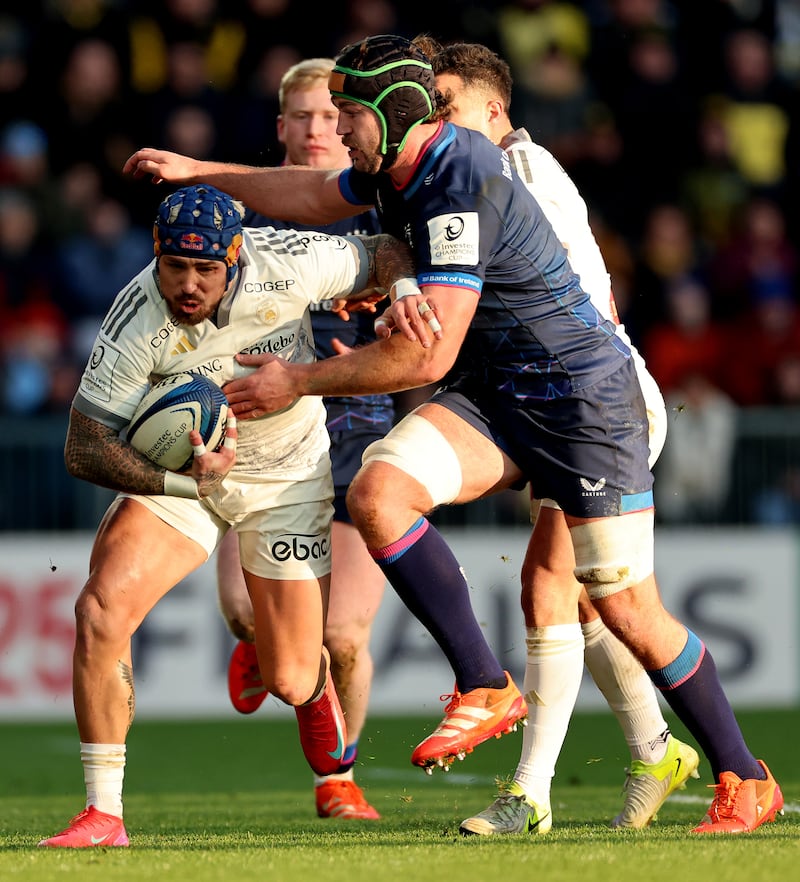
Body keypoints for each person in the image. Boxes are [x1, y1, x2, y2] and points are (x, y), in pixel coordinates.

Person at [123, 34, 783, 835]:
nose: (339, 130)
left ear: (391, 115)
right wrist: (201, 172)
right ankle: (485, 682)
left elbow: (425, 353)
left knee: (625, 607)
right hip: (499, 391)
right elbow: (312, 195)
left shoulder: (464, 172)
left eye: (348, 115)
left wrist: (297, 379)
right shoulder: (393, 167)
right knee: (380, 491)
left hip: (579, 401)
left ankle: (744, 776)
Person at [38, 182, 423, 848]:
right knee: (99, 612)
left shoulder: (290, 260)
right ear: (156, 254)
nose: (187, 285)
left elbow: (386, 250)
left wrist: (402, 295)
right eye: (174, 267)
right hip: (187, 476)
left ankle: (310, 689)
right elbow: (84, 446)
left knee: (291, 674)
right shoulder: (136, 317)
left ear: (236, 255)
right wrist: (182, 482)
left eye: (205, 269)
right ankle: (104, 814)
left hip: (287, 479)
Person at [424, 39, 699, 834]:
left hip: (599, 401)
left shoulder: (520, 175)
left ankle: (532, 795)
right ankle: (656, 748)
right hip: (556, 403)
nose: (439, 124)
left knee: (550, 585)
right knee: (585, 603)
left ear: (494, 112)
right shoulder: (481, 178)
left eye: (449, 108)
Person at [218, 57, 388, 821]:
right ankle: (259, 641)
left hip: (356, 431)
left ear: (351, 122)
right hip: (260, 430)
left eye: (332, 115)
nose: (321, 129)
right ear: (280, 127)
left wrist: (385, 351)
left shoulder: (385, 208)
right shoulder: (242, 212)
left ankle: (337, 780)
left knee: (344, 635)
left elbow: (435, 320)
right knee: (249, 615)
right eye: (304, 117)